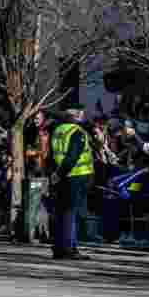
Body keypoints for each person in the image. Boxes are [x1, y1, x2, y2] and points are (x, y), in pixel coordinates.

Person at [49, 103, 95, 260]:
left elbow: (52, 155)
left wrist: (55, 174)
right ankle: (69, 248)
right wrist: (60, 173)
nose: (83, 115)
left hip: (61, 177)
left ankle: (59, 247)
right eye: (81, 113)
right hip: (75, 176)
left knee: (61, 212)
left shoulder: (57, 130)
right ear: (75, 115)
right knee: (70, 213)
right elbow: (72, 156)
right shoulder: (77, 132)